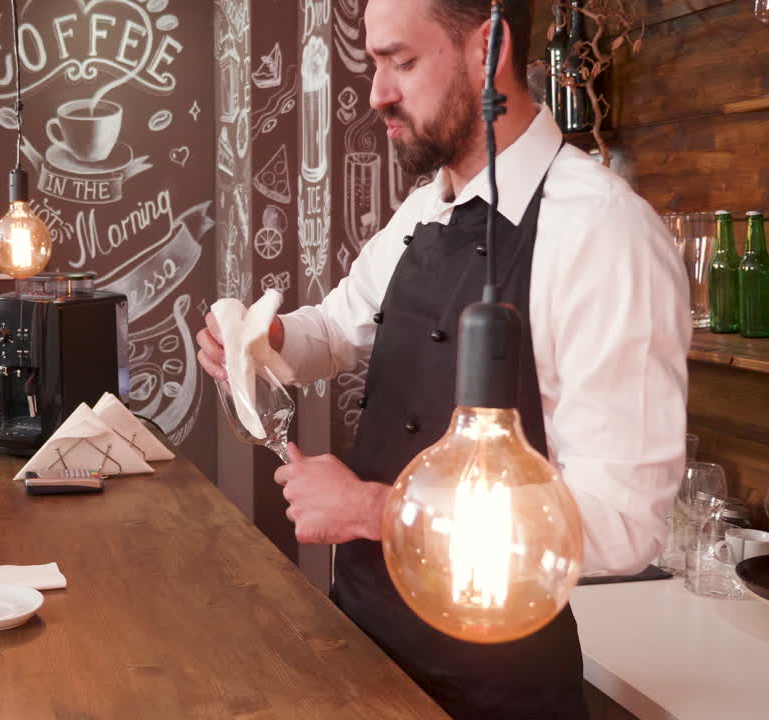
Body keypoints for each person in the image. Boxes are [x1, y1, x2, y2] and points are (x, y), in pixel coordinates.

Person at [197, 0, 689, 716]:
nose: (378, 94)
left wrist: (375, 510)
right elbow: (333, 331)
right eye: (374, 64)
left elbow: (622, 524)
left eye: (402, 62)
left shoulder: (604, 235)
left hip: (493, 687)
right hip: (365, 645)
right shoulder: (426, 207)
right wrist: (260, 340)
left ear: (487, 49)